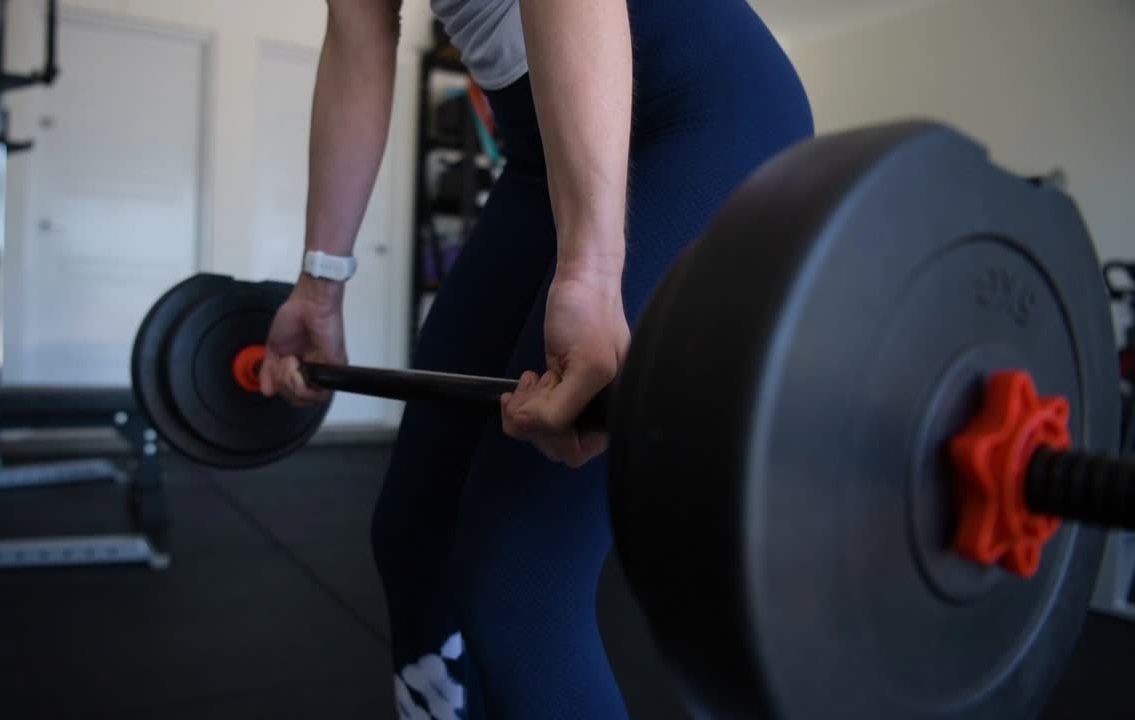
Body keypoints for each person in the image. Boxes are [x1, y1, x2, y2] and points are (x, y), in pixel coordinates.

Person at [259, 0, 813, 716]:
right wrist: (320, 284)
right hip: (540, 149)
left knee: (518, 580)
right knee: (413, 536)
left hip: (701, 116)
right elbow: (359, 32)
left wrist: (587, 274)